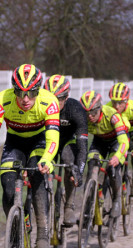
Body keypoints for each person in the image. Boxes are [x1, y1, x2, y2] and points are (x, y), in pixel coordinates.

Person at [0, 64, 60, 248]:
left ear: (39, 90)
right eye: (19, 92)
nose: (25, 99)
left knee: (37, 176)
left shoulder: (50, 101)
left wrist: (47, 158)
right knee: (7, 186)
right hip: (14, 143)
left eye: (32, 93)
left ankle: (43, 234)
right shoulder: (2, 100)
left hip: (39, 142)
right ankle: (17, 226)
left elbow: (53, 137)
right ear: (13, 90)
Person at [43, 74, 88, 227]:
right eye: (50, 97)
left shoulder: (76, 110)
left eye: (59, 98)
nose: (54, 103)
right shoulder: (39, 107)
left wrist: (79, 171)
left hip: (66, 143)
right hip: (48, 143)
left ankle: (69, 205)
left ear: (67, 96)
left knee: (70, 162)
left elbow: (82, 146)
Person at [79, 90, 130, 218]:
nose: (90, 116)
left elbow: (124, 141)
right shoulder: (84, 119)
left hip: (116, 141)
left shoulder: (112, 115)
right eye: (87, 113)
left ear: (100, 108)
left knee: (113, 169)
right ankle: (87, 208)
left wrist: (118, 156)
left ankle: (117, 200)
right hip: (99, 142)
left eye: (94, 112)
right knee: (91, 167)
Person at [107, 82, 133, 196]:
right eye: (114, 102)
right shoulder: (108, 107)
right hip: (119, 133)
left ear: (126, 101)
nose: (116, 106)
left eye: (120, 102)